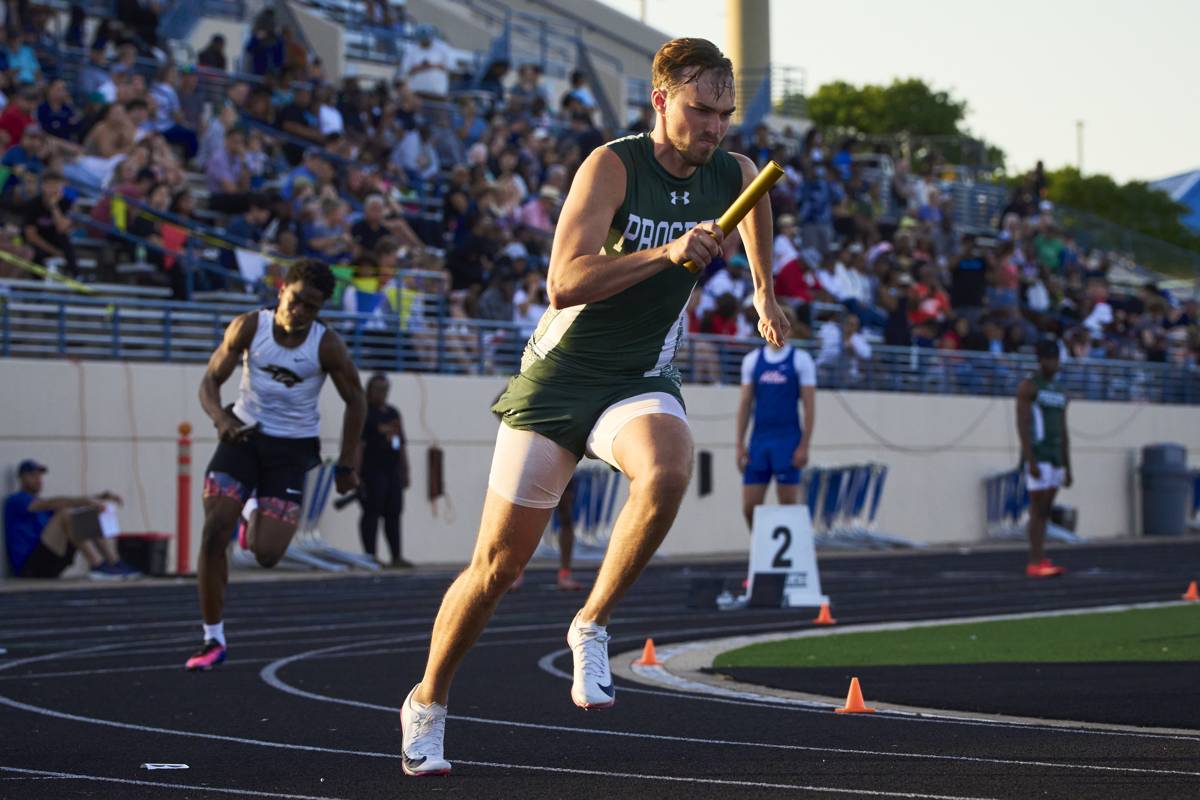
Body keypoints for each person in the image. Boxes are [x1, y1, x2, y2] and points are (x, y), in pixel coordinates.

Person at [399, 36, 790, 777]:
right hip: (560, 378)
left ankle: (592, 622)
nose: (714, 128)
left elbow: (755, 203)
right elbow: (564, 282)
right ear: (660, 100)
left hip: (639, 375)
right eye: (700, 111)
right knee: (498, 569)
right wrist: (667, 253)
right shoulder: (612, 166)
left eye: (725, 114)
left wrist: (763, 288)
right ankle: (428, 700)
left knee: (668, 471)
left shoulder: (732, 171)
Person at [186, 259, 366, 671]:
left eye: (311, 307)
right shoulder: (250, 327)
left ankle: (250, 510)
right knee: (214, 533)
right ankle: (213, 638)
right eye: (296, 300)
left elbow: (356, 400)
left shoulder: (326, 346)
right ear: (282, 289)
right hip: (243, 437)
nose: (299, 312)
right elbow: (210, 381)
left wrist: (346, 465)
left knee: (266, 554)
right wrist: (222, 420)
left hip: (291, 451)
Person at [736, 310, 817, 528]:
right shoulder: (752, 360)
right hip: (759, 441)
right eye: (773, 324)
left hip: (787, 441)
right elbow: (745, 405)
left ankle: (789, 548)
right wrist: (740, 445)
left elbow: (809, 407)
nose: (777, 329)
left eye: (782, 324)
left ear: (789, 328)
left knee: (788, 506)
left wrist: (804, 446)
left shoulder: (801, 360)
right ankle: (761, 544)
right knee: (749, 507)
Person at [4, 460, 138, 580]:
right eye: (33, 475)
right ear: (22, 478)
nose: (38, 480)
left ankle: (115, 563)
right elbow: (52, 503)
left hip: (50, 561)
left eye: (40, 476)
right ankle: (97, 565)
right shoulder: (16, 500)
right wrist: (86, 501)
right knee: (65, 513)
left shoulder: (41, 504)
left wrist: (101, 497)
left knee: (86, 517)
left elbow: (65, 505)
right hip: (30, 567)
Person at [1015, 338, 1072, 578]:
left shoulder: (1060, 390)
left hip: (1056, 455)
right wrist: (1030, 460)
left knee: (1046, 510)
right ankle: (1034, 560)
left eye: (1055, 359)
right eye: (1049, 359)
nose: (1053, 364)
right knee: (1037, 509)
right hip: (1039, 454)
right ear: (1040, 360)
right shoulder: (1030, 386)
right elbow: (1023, 424)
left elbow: (1064, 428)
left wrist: (1068, 465)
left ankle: (1041, 557)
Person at [358, 373, 411, 568]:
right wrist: (356, 473)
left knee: (394, 512)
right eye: (378, 389)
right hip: (372, 471)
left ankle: (396, 556)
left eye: (385, 389)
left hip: (392, 471)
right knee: (372, 513)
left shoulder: (392, 413)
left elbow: (399, 442)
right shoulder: (365, 413)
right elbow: (359, 445)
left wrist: (405, 469)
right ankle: (370, 555)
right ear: (369, 390)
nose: (382, 393)